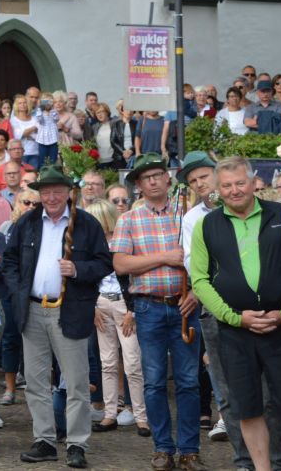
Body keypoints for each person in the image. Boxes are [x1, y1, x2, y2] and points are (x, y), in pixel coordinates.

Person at [188, 156, 281, 471]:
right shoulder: (207, 225)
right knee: (247, 408)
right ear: (218, 188)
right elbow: (200, 281)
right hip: (235, 332)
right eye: (226, 185)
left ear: (254, 182)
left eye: (239, 183)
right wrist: (233, 317)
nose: (233, 191)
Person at [2, 164, 113, 468]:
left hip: (71, 310)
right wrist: (17, 292)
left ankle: (76, 443)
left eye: (57, 191)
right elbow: (9, 261)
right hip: (33, 309)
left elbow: (105, 263)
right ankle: (45, 440)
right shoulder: (26, 223)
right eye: (46, 191)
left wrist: (78, 270)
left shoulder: (86, 224)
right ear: (39, 194)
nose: (51, 197)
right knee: (36, 381)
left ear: (69, 193)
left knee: (76, 381)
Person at [111, 153, 204, 471]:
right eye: (145, 177)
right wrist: (165, 256)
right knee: (152, 381)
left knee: (189, 381)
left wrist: (194, 291)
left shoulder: (188, 216)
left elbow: (206, 263)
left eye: (157, 174)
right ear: (138, 185)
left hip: (184, 306)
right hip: (148, 307)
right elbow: (121, 264)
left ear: (168, 178)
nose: (152, 180)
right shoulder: (129, 220)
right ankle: (163, 447)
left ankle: (190, 450)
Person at [84, 199, 147, 435]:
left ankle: (141, 415)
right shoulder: (91, 245)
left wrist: (132, 310)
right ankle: (110, 413)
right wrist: (92, 306)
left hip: (124, 305)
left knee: (132, 361)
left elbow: (135, 276)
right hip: (101, 304)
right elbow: (86, 279)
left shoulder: (124, 242)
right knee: (107, 362)